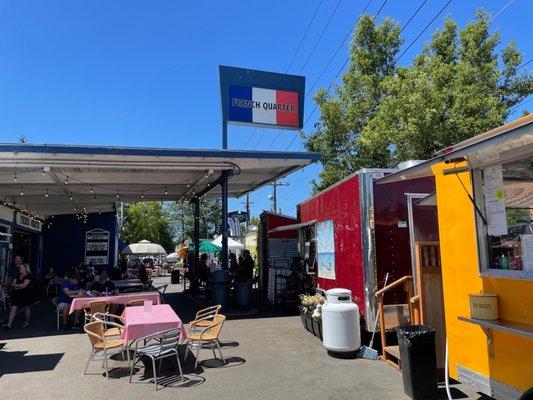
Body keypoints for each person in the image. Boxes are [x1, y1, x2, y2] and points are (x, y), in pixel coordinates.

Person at [3, 263, 33, 329]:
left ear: (26, 269)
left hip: (26, 294)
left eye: (21, 268)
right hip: (17, 294)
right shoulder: (18, 275)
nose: (20, 269)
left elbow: (24, 286)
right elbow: (12, 284)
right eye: (20, 268)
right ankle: (9, 324)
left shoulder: (29, 276)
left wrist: (17, 285)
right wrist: (19, 286)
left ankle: (27, 322)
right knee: (13, 308)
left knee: (27, 308)